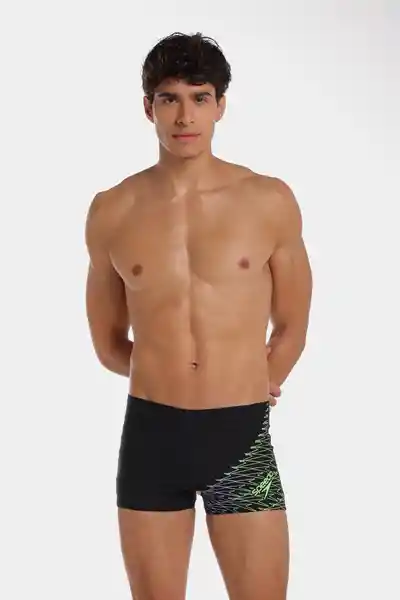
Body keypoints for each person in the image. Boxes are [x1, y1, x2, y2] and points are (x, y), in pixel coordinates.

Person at [85, 31, 312, 600]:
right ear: (148, 108)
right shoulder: (112, 210)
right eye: (169, 99)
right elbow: (108, 343)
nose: (184, 116)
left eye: (199, 98)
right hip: (152, 439)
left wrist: (256, 377)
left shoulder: (268, 200)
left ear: (220, 106)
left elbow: (292, 322)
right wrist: (166, 369)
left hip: (240, 438)